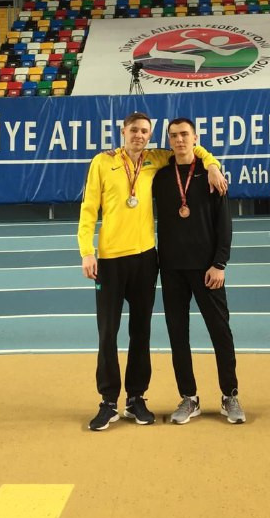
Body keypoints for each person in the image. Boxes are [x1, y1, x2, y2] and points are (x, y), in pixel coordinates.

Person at [78, 111, 227, 432]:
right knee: (108, 333)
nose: (139, 135)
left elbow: (191, 148)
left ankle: (136, 398)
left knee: (141, 332)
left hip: (146, 259)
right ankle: (108, 401)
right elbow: (88, 209)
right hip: (110, 261)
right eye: (134, 130)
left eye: (145, 131)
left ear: (150, 135)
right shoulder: (102, 162)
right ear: (123, 131)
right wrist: (87, 251)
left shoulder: (155, 159)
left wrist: (213, 164)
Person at [152, 117, 245, 425]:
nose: (179, 140)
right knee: (178, 335)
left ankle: (230, 394)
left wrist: (220, 263)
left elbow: (224, 223)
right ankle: (188, 397)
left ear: (195, 138)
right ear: (169, 140)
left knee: (220, 332)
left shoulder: (210, 174)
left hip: (207, 270)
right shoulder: (160, 176)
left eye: (184, 134)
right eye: (174, 136)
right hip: (171, 270)